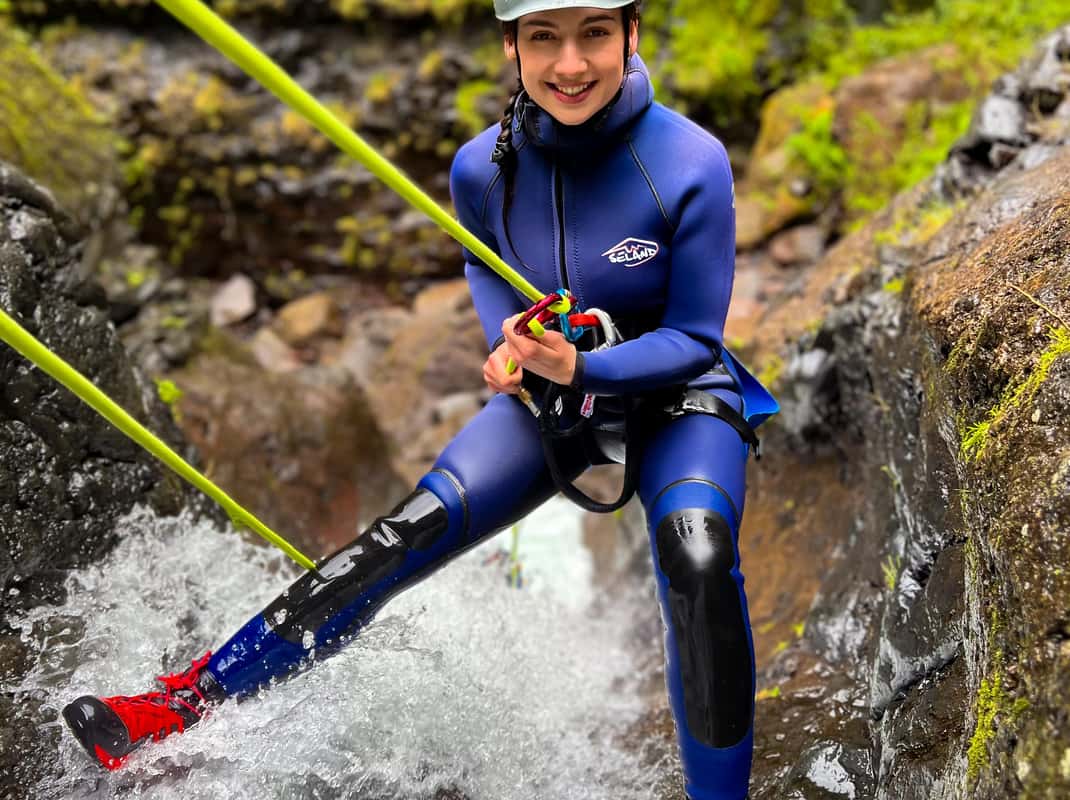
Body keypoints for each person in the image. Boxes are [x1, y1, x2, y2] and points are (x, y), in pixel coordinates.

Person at [62, 2, 777, 798]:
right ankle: (176, 706)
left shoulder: (689, 160)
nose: (570, 65)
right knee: (403, 535)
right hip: (553, 390)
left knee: (698, 553)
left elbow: (695, 338)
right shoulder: (482, 168)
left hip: (677, 395)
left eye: (594, 35)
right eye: (543, 38)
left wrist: (581, 370)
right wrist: (509, 346)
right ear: (510, 44)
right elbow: (483, 265)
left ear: (631, 36)